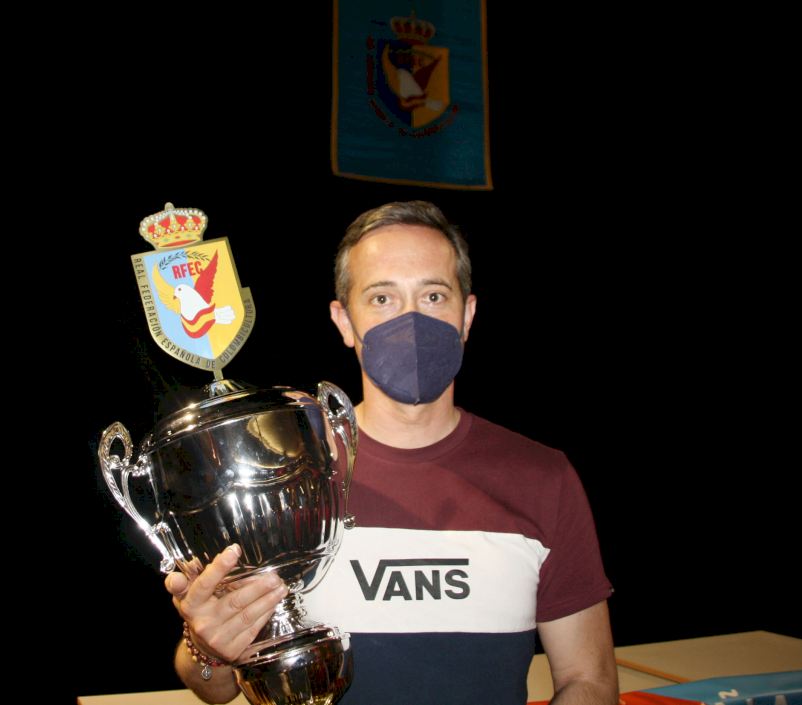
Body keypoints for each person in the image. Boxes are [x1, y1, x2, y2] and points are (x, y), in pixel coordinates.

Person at [165, 201, 618, 704]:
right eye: (382, 298)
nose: (410, 320)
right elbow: (215, 687)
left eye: (433, 295)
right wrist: (207, 647)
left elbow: (589, 680)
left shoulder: (542, 477)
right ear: (344, 321)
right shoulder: (282, 476)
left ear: (467, 315)